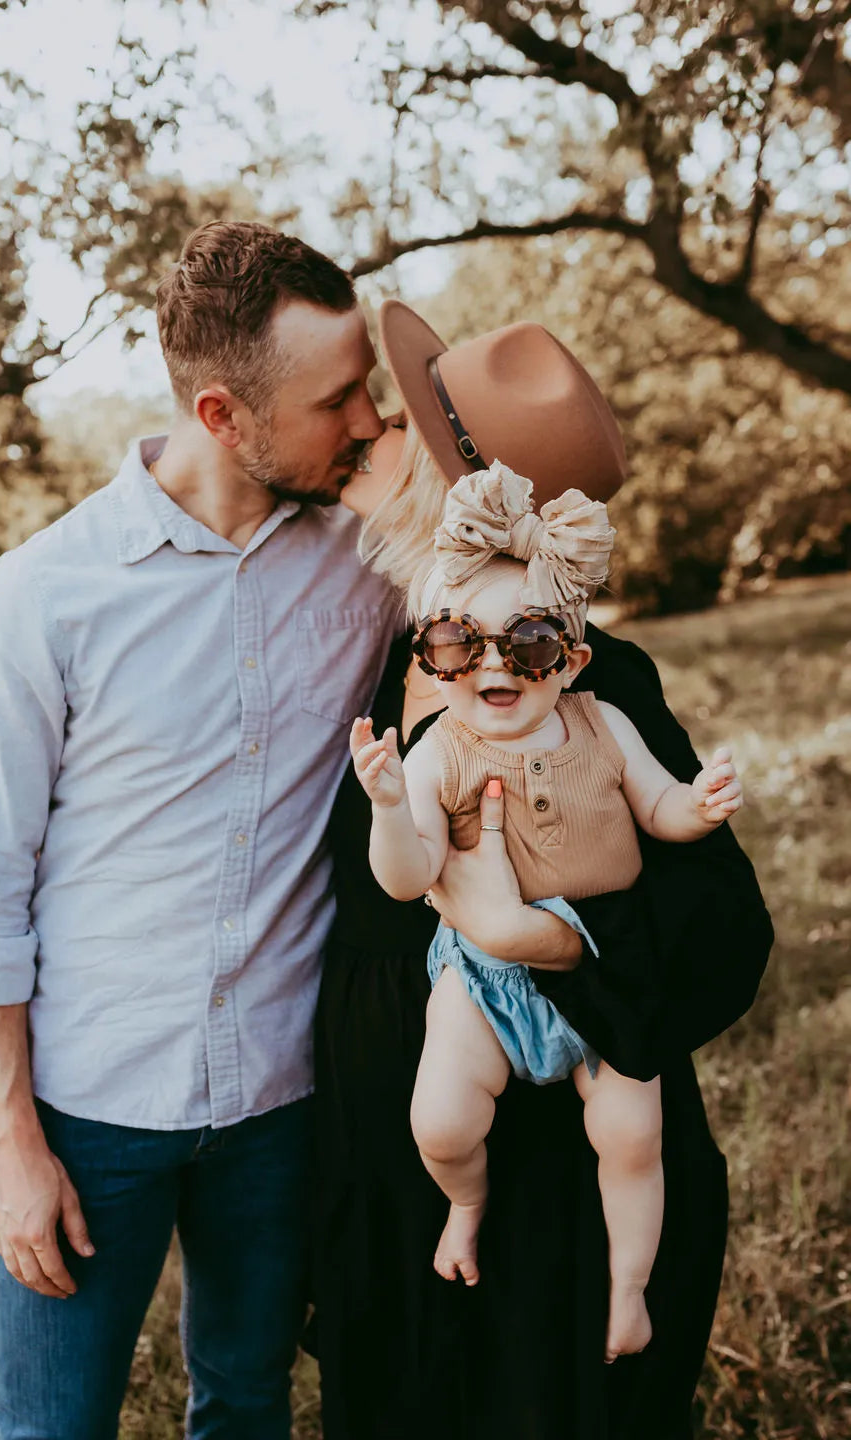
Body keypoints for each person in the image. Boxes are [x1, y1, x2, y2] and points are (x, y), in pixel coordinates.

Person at [0, 221, 405, 1440]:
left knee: (246, 1404)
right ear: (220, 412)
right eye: (335, 399)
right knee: (48, 1430)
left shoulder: (371, 554)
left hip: (285, 1103)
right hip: (91, 1111)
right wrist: (11, 1146)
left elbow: (530, 512)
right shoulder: (45, 596)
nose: (366, 421)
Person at [312, 302, 774, 1439]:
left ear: (452, 482)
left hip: (554, 1156)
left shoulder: (591, 683)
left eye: (398, 422)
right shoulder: (389, 661)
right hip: (405, 1144)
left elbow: (720, 928)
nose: (366, 427)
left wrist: (536, 939)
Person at [350, 464, 743, 1363]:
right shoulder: (435, 749)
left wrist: (699, 804)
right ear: (428, 656)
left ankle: (629, 1293)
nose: (492, 663)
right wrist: (383, 806)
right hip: (480, 979)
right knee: (442, 1120)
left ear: (569, 661)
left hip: (603, 963)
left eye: (526, 643)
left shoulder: (604, 722)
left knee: (631, 1136)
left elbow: (657, 806)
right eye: (458, 642)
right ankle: (466, 1204)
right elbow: (408, 879)